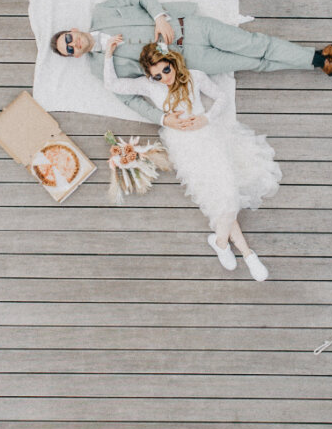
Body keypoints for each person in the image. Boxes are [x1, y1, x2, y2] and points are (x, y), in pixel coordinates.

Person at [101, 37, 281, 281]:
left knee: (229, 195)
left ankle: (221, 243)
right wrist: (108, 54)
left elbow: (221, 97)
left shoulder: (195, 76)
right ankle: (247, 254)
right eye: (157, 76)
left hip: (207, 135)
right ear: (150, 77)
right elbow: (112, 84)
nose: (164, 78)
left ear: (172, 62)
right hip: (183, 146)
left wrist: (206, 118)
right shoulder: (149, 86)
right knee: (217, 200)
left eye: (166, 70)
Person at [52, 0, 332, 126]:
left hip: (191, 27)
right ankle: (321, 59)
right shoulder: (100, 68)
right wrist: (162, 119)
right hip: (191, 62)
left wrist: (158, 17)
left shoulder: (102, 11)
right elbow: (129, 99)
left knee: (256, 44)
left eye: (68, 39)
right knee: (254, 62)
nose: (73, 44)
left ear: (73, 30)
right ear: (75, 56)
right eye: (70, 50)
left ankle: (320, 60)